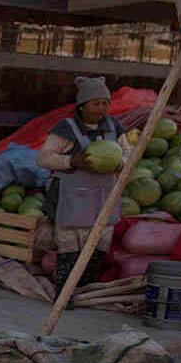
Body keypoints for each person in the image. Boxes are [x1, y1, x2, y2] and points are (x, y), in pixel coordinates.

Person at [38, 76, 133, 289]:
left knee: (99, 243)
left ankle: (84, 287)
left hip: (103, 198)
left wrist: (121, 163)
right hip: (72, 199)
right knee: (70, 244)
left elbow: (128, 153)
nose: (102, 108)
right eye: (97, 103)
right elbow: (44, 158)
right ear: (82, 106)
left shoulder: (113, 127)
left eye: (106, 103)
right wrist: (72, 160)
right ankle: (64, 290)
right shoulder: (66, 128)